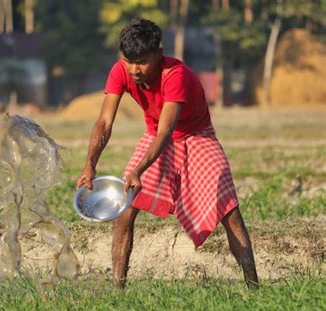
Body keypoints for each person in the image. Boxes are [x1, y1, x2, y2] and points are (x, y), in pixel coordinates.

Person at [76, 18, 259, 288]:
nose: (135, 70)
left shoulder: (176, 75)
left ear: (159, 55)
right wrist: (90, 164)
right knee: (125, 210)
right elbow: (104, 122)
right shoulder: (120, 71)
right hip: (154, 137)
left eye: (142, 61)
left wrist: (139, 170)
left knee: (229, 211)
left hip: (196, 136)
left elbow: (167, 131)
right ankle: (117, 289)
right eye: (129, 61)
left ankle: (253, 287)